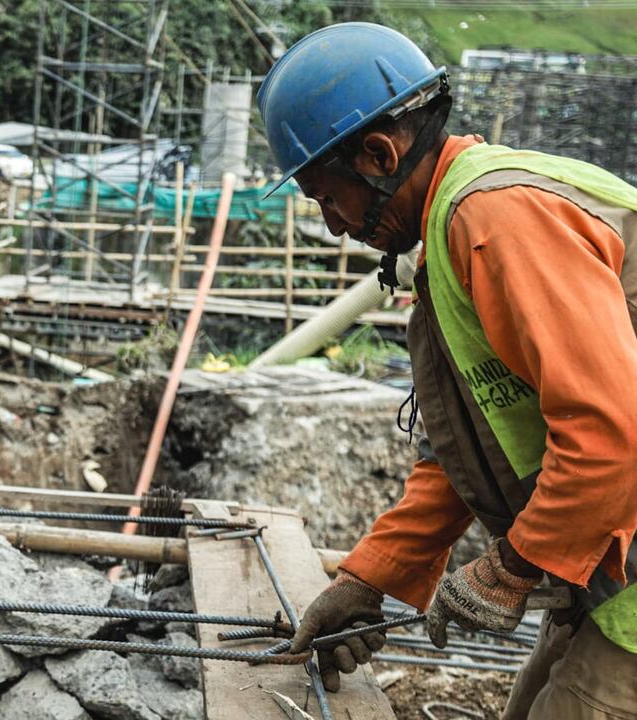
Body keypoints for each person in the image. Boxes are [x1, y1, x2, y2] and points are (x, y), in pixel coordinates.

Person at [256, 22, 637, 719]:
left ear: (378, 153)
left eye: (325, 198)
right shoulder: (448, 237)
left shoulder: (495, 220)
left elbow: (613, 434)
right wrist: (371, 578)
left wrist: (512, 566)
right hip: (610, 566)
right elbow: (468, 452)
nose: (335, 226)